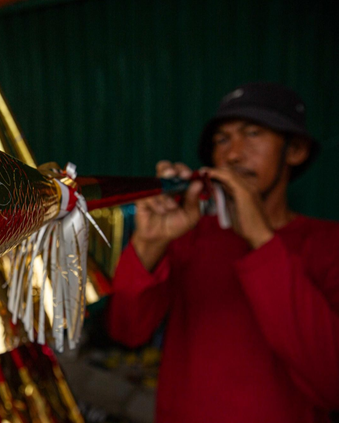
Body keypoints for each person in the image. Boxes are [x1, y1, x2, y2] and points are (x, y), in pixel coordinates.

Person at [107, 82, 339, 422]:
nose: (233, 154)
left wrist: (261, 238)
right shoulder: (193, 235)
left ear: (296, 150)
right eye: (222, 139)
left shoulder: (327, 243)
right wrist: (149, 243)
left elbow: (331, 383)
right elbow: (127, 331)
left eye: (253, 134)